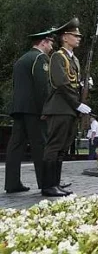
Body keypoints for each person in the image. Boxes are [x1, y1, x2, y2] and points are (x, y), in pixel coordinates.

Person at [41, 18, 91, 197]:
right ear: (65, 37)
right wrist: (77, 104)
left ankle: (55, 183)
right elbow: (61, 83)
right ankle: (48, 186)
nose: (78, 38)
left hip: (69, 109)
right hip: (60, 107)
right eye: (74, 35)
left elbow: (73, 83)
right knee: (54, 147)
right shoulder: (57, 57)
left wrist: (84, 86)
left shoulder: (74, 59)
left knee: (62, 148)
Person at [4, 26, 55, 193]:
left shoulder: (22, 59)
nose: (51, 47)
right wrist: (45, 109)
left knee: (15, 147)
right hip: (34, 110)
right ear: (43, 42)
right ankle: (46, 183)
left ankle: (12, 183)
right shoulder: (40, 58)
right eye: (50, 43)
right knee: (40, 145)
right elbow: (42, 88)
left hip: (19, 109)